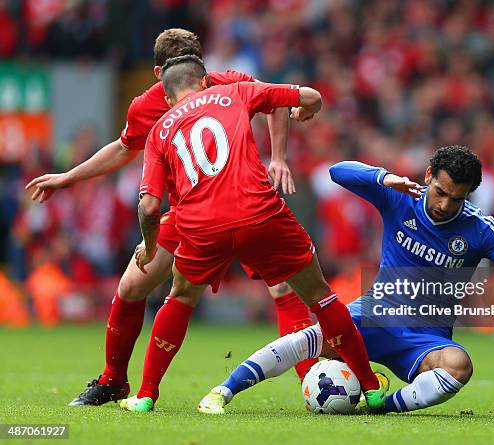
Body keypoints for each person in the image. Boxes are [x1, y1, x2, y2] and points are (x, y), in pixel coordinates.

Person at [25, 28, 316, 406]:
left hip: (238, 198)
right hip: (190, 212)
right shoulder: (151, 104)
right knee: (133, 286)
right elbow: (123, 147)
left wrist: (278, 156)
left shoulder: (228, 82)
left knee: (276, 287)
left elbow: (277, 99)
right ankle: (115, 381)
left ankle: (310, 380)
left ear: (159, 70)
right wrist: (69, 176)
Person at [198, 145, 494, 414]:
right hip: (372, 316)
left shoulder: (480, 228)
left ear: (469, 196)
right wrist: (385, 177)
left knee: (460, 365)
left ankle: (379, 408)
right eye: (440, 191)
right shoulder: (401, 197)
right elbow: (338, 171)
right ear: (428, 176)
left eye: (455, 199)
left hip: (425, 338)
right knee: (307, 339)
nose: (444, 204)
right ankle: (223, 391)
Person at [118, 55, 386, 413]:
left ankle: (146, 395)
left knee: (179, 299)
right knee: (320, 296)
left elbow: (149, 207)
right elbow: (310, 96)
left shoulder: (159, 131)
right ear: (203, 82)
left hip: (201, 225)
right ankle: (370, 388)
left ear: (167, 98)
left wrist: (150, 247)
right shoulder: (236, 91)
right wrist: (304, 110)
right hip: (259, 212)